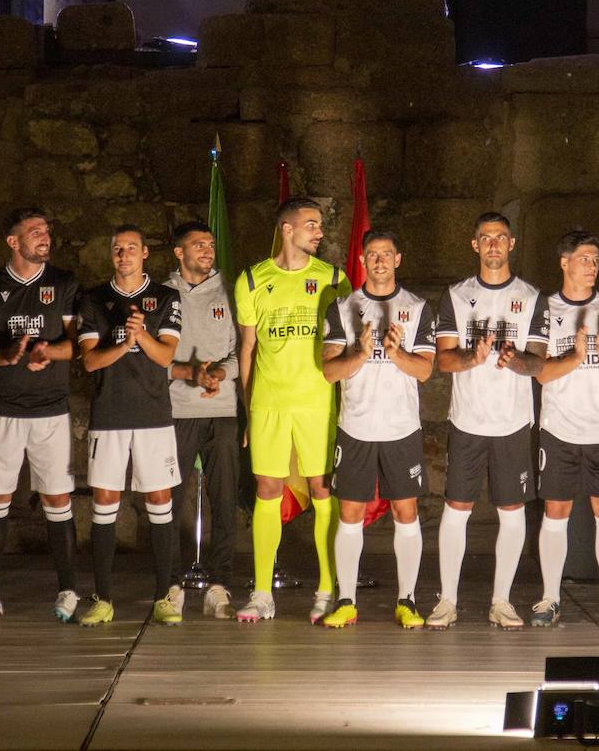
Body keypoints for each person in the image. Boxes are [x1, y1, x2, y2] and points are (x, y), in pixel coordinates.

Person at [0, 207, 81, 623]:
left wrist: (48, 352)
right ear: (13, 242)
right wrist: (5, 355)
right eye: (34, 232)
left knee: (58, 499)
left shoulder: (62, 283)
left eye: (46, 230)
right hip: (1, 409)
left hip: (50, 410)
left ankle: (68, 590)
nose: (44, 237)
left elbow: (76, 343)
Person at [428, 212, 547, 631]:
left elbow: (539, 365)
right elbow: (443, 359)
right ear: (475, 245)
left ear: (512, 244)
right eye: (486, 238)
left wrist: (514, 360)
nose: (493, 245)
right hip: (467, 420)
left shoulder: (532, 297)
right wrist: (472, 357)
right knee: (456, 508)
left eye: (501, 238)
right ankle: (447, 601)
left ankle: (502, 601)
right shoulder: (457, 296)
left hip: (513, 423)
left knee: (512, 511)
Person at [233, 197, 350, 623]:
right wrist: (248, 412)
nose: (320, 233)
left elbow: (345, 346)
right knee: (267, 489)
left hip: (317, 401)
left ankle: (327, 588)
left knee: (322, 490)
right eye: (312, 225)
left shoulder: (334, 278)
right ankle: (262, 592)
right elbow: (247, 348)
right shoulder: (251, 279)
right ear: (287, 229)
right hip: (269, 402)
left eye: (320, 226)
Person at [320, 230, 435, 629]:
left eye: (387, 254)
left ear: (398, 259)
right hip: (356, 427)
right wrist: (361, 353)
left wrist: (397, 352)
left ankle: (407, 600)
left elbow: (425, 371)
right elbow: (329, 371)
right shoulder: (342, 307)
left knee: (406, 510)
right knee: (349, 512)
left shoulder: (418, 308)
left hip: (401, 428)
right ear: (363, 262)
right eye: (372, 255)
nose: (380, 261)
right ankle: (346, 600)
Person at [77, 226, 183, 626]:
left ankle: (162, 598)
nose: (123, 255)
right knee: (104, 502)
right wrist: (124, 343)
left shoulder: (165, 298)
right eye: (117, 249)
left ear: (144, 255)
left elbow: (164, 358)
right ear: (111, 255)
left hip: (153, 415)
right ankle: (102, 598)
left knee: (159, 500)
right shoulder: (94, 299)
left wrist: (142, 335)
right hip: (109, 415)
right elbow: (89, 361)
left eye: (131, 249)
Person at [530, 230, 599, 628]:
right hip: (559, 427)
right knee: (556, 511)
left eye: (596, 260)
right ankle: (549, 598)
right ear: (564, 262)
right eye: (584, 259)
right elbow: (541, 373)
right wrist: (576, 355)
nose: (592, 266)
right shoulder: (544, 308)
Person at [164, 221, 240, 620]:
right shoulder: (162, 294)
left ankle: (219, 585)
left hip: (222, 410)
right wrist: (190, 373)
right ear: (179, 252)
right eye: (198, 245)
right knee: (171, 501)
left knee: (225, 501)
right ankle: (172, 584)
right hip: (178, 412)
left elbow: (236, 351)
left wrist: (219, 376)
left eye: (211, 244)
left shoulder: (226, 293)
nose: (208, 251)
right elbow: (152, 359)